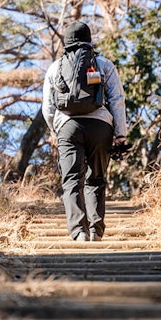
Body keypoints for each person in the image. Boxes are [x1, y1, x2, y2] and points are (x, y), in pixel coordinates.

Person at [42, 21, 127, 242]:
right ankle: (96, 231)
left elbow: (48, 107)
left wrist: (56, 130)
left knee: (71, 180)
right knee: (96, 179)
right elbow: (117, 100)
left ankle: (79, 231)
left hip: (68, 127)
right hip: (100, 126)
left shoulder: (55, 67)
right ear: (89, 40)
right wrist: (120, 134)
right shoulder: (103, 64)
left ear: (67, 41)